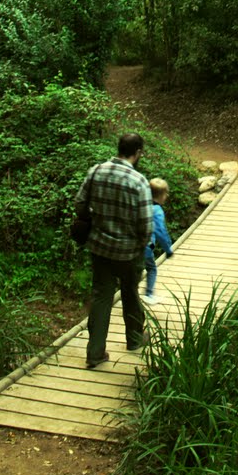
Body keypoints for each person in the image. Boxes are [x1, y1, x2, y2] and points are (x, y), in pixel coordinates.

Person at [80, 132, 153, 369]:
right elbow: (145, 223)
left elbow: (80, 203)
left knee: (101, 296)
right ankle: (133, 339)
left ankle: (95, 353)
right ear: (138, 152)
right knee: (130, 292)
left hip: (99, 247)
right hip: (129, 251)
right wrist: (141, 244)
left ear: (119, 148)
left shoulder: (96, 171)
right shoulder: (138, 181)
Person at [141, 178, 174, 305]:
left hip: (132, 244)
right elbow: (160, 232)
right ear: (161, 196)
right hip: (146, 246)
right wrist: (168, 249)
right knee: (151, 268)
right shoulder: (157, 211)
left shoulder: (142, 204)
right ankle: (149, 294)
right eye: (166, 194)